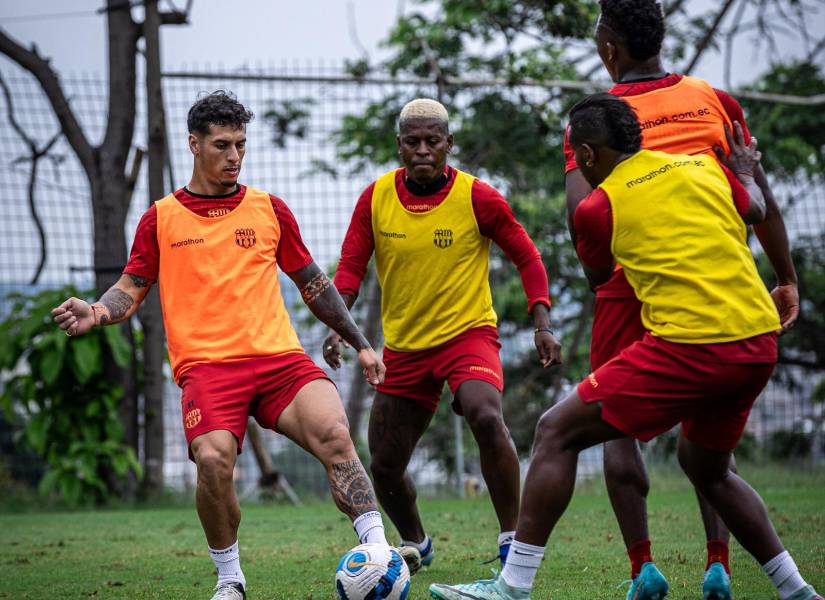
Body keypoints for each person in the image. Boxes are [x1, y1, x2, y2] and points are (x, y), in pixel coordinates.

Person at [429, 94, 822, 600]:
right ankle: (798, 592)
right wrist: (744, 170)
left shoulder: (598, 207)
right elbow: (758, 208)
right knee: (709, 469)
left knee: (556, 431)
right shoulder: (703, 165)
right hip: (756, 344)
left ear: (587, 156)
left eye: (576, 157)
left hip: (691, 347)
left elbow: (599, 275)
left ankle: (512, 586)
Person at [52, 91, 394, 600]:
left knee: (335, 433)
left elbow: (315, 285)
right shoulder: (161, 218)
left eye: (240, 145)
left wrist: (361, 343)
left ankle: (380, 555)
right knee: (213, 461)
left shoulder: (269, 209)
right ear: (194, 144)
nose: (234, 156)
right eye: (221, 145)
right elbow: (131, 286)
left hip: (279, 360)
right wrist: (98, 311)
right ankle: (231, 579)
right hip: (209, 369)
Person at [562, 1, 800, 597]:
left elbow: (579, 216)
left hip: (627, 284)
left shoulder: (596, 121)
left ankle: (643, 568)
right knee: (709, 434)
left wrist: (602, 273)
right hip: (713, 282)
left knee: (611, 426)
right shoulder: (714, 100)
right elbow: (757, 194)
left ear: (608, 49)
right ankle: (718, 562)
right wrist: (785, 277)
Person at [324, 98, 561, 573]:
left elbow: (528, 257)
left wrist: (543, 323)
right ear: (399, 147)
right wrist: (337, 326)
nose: (423, 150)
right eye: (413, 141)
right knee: (385, 465)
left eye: (434, 140)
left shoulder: (479, 197)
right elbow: (350, 268)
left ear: (449, 144)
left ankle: (512, 540)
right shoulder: (375, 198)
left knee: (485, 415)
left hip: (467, 335)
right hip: (406, 348)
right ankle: (416, 543)